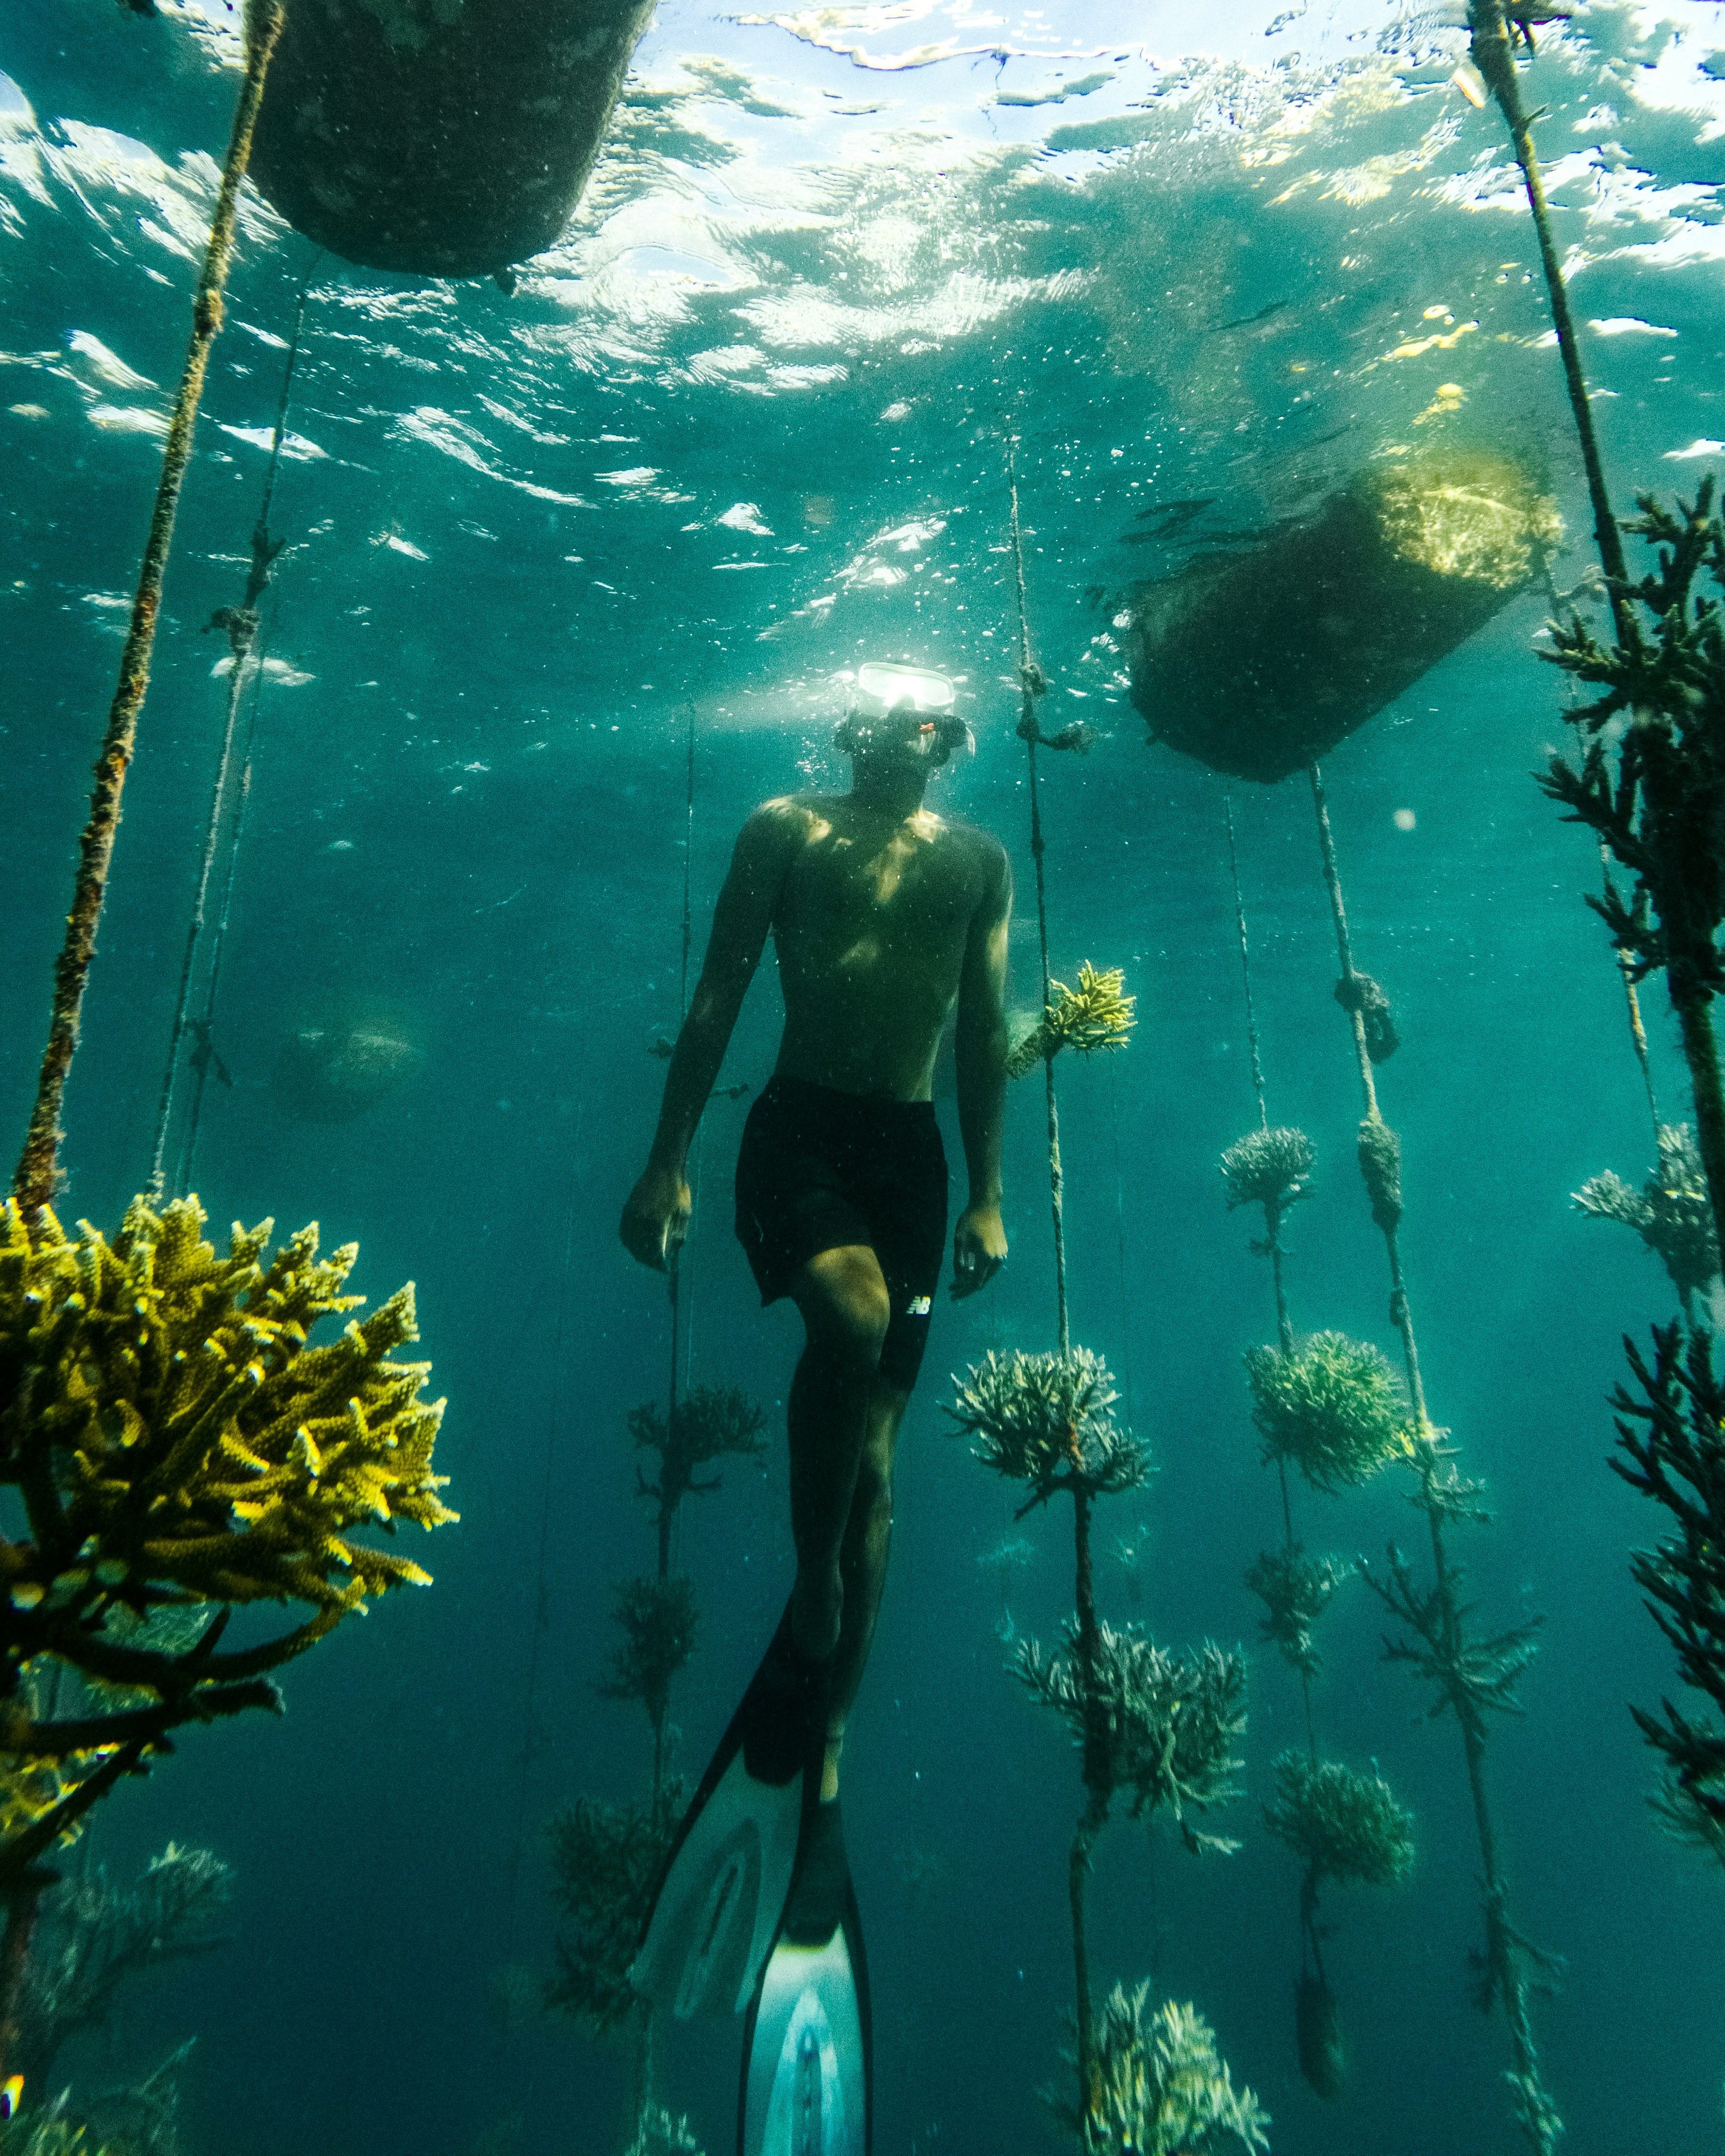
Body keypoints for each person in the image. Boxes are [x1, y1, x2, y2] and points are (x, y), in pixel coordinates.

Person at [620, 669, 1011, 2028]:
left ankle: (828, 1742)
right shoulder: (783, 827)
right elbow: (718, 994)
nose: (919, 736)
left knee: (882, 1471)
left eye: (939, 721)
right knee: (848, 1318)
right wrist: (665, 1159)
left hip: (909, 1155)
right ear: (851, 729)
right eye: (897, 715)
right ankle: (815, 1603)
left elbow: (983, 1028)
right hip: (798, 1134)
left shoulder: (979, 859)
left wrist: (988, 1191)